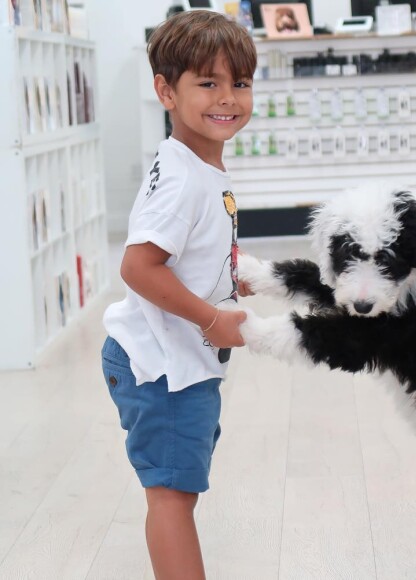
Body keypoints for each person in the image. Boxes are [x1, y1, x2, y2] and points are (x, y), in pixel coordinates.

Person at [100, 10, 256, 579]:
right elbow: (139, 267)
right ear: (165, 90)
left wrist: (234, 276)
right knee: (171, 496)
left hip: (174, 361)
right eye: (208, 83)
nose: (228, 98)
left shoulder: (197, 165)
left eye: (239, 82)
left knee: (177, 489)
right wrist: (212, 318)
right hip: (160, 368)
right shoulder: (186, 178)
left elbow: (186, 254)